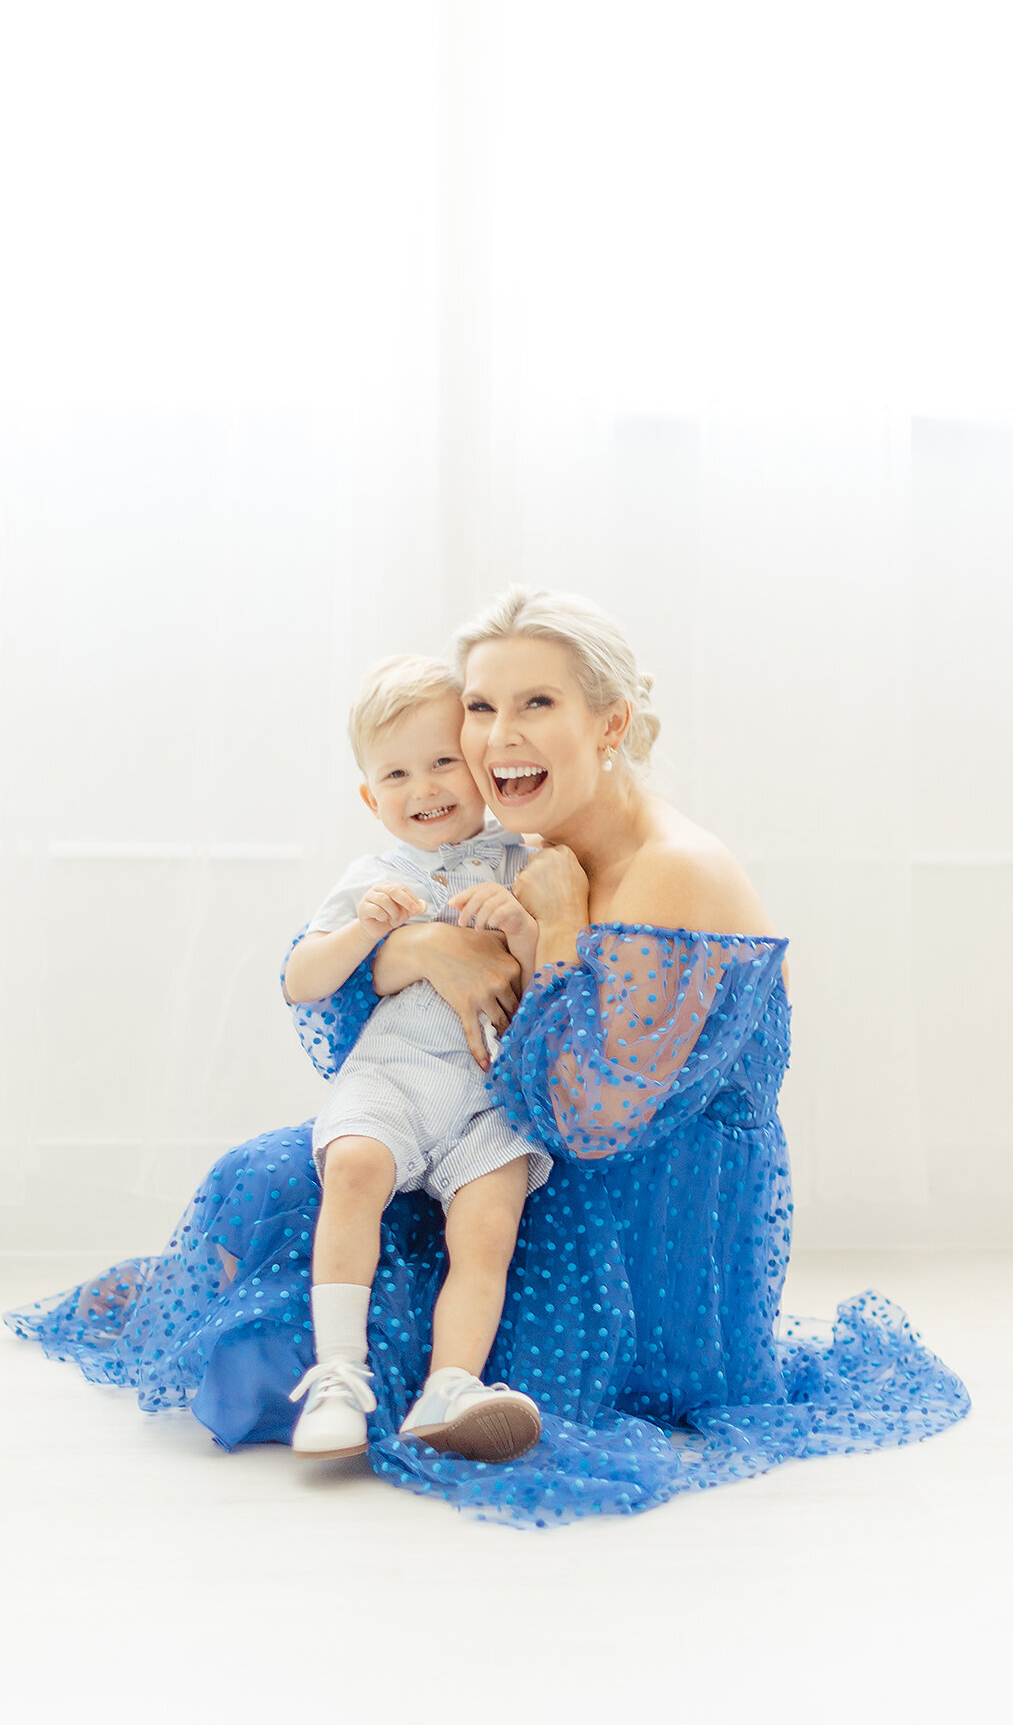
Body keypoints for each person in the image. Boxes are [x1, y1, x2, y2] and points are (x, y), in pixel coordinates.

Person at [4, 586, 970, 1530]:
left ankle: (400, 1373)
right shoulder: (523, 840)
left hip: (636, 1215)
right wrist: (417, 946)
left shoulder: (668, 868)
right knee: (271, 1180)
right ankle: (249, 1323)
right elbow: (343, 980)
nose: (497, 735)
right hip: (512, 1144)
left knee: (344, 1289)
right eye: (480, 706)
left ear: (609, 722)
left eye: (536, 703)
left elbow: (582, 1112)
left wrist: (556, 925)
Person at [282, 653, 549, 1462]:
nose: (425, 788)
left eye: (442, 762)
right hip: (395, 1080)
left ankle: (451, 1385)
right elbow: (302, 980)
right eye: (396, 773)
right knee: (355, 1167)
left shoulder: (525, 860)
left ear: (477, 765)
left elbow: (558, 982)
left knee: (489, 1223)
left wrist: (522, 925)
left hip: (487, 1097)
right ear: (370, 797)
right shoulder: (376, 875)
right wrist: (369, 930)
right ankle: (338, 1373)